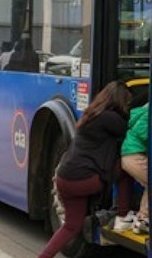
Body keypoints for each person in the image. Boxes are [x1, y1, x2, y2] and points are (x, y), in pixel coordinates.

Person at [39, 80, 132, 258]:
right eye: (127, 102)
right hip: (83, 181)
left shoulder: (91, 114)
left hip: (64, 178)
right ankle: (123, 216)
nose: (127, 106)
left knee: (72, 225)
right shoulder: (111, 119)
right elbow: (128, 128)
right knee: (126, 167)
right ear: (120, 101)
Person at [113, 101, 150, 233]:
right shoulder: (148, 114)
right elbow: (144, 134)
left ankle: (141, 219)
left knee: (148, 184)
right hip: (134, 156)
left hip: (127, 156)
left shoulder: (139, 113)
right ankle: (142, 219)